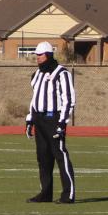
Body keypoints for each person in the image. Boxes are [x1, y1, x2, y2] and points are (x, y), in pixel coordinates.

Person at [26, 41, 76, 204]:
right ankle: (45, 193)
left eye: (40, 55)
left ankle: (68, 194)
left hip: (53, 118)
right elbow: (34, 99)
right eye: (37, 55)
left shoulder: (62, 73)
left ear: (47, 55)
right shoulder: (37, 74)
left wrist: (62, 122)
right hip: (39, 119)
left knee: (60, 155)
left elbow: (68, 99)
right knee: (43, 157)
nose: (37, 58)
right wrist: (30, 119)